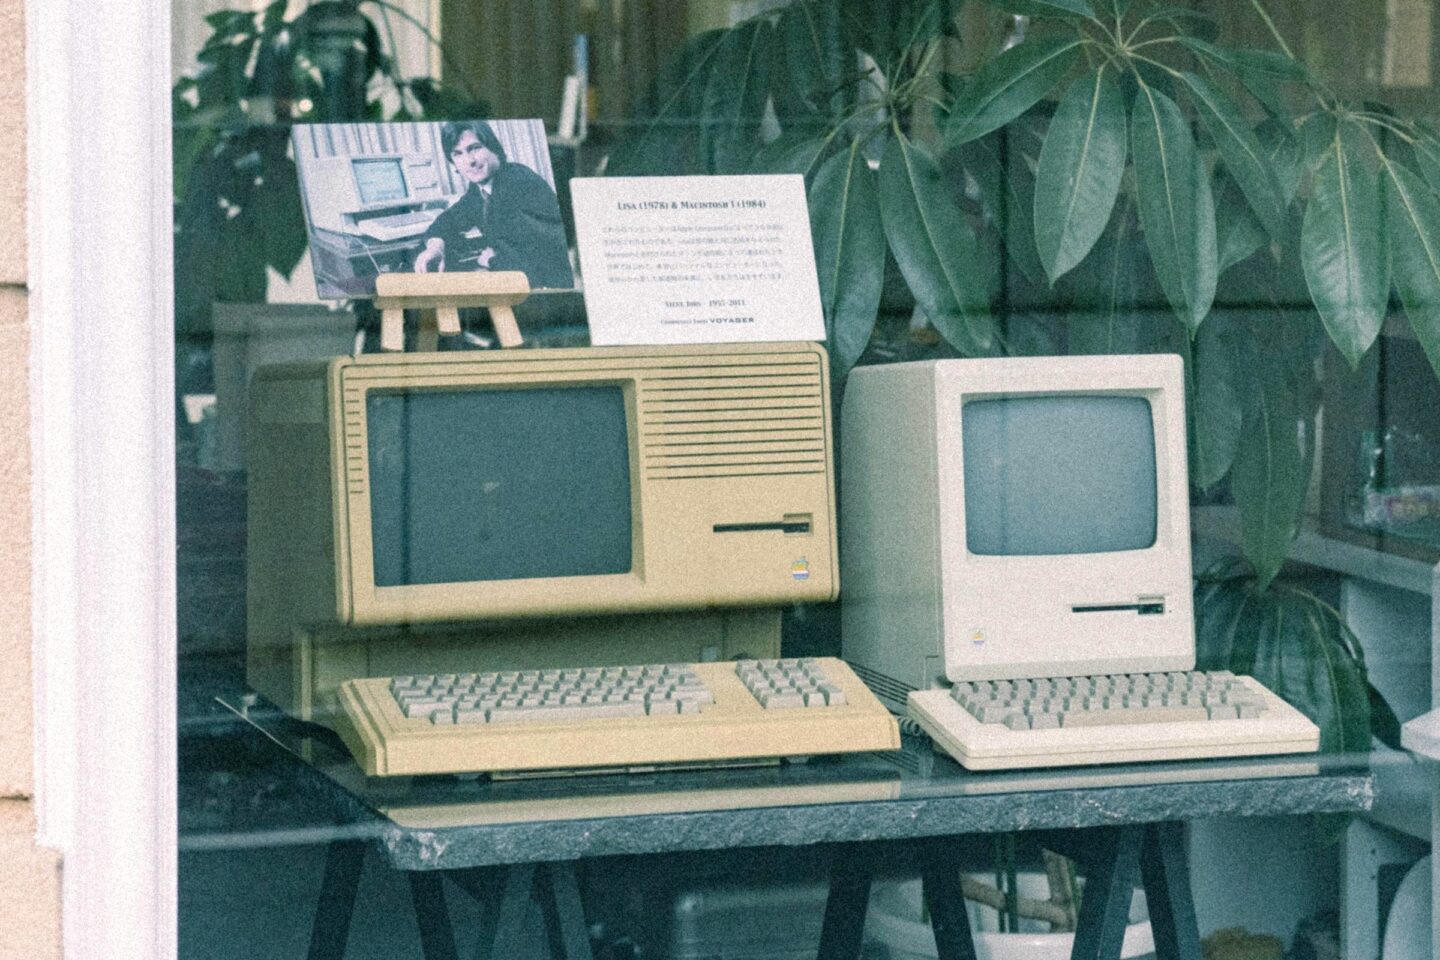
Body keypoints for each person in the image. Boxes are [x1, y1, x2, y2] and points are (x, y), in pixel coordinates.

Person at [413, 120, 574, 289]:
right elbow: (450, 219)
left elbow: (540, 259)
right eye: (457, 154)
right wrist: (436, 248)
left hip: (550, 289)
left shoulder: (518, 182)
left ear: (493, 147)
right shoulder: (479, 189)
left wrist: (490, 260)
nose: (469, 161)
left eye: (474, 148)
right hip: (523, 282)